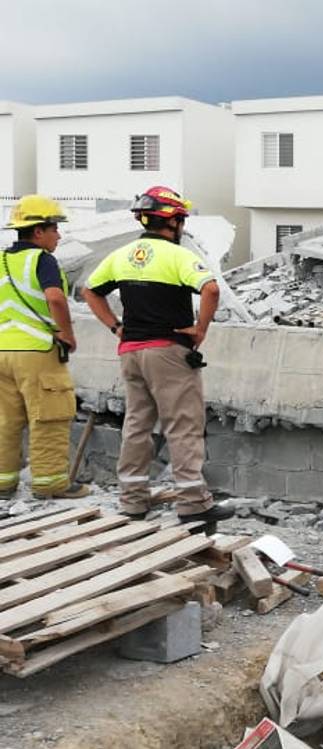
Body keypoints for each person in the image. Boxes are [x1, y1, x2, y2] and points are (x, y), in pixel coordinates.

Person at [80, 186, 232, 526]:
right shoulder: (177, 256)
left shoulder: (122, 255)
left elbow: (90, 290)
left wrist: (114, 326)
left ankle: (133, 501)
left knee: (137, 425)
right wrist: (201, 328)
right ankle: (194, 503)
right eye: (181, 220)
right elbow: (210, 288)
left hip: (131, 351)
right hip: (167, 352)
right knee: (183, 426)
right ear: (174, 221)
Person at [0, 196, 90, 499]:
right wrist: (67, 333)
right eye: (54, 229)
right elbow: (55, 298)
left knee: (5, 420)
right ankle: (50, 482)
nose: (59, 235)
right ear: (38, 231)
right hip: (36, 351)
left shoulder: (2, 260)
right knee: (49, 416)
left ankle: (3, 482)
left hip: (2, 350)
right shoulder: (42, 259)